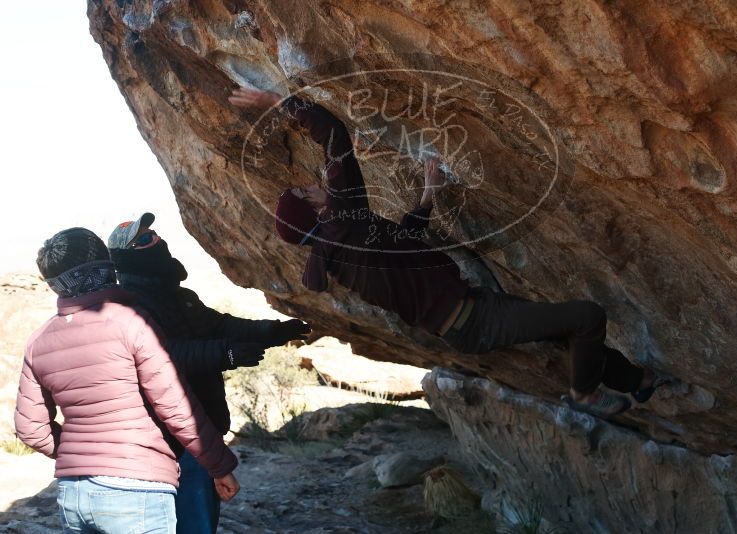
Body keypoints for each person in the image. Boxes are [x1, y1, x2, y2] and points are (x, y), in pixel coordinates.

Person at [229, 87, 661, 418]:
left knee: (565, 331)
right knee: (588, 318)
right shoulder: (343, 224)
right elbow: (335, 136)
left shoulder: (339, 251)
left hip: (465, 321)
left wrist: (427, 197)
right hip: (478, 319)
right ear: (317, 211)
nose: (317, 184)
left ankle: (637, 381)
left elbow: (402, 246)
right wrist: (276, 100)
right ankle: (584, 394)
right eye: (309, 190)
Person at [14, 228, 240, 534]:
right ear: (104, 266)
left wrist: (80, 453)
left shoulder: (39, 340)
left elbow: (30, 429)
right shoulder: (131, 323)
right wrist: (220, 466)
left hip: (73, 495)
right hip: (136, 490)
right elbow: (176, 406)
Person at [106, 213, 309, 534]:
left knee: (198, 521)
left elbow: (219, 325)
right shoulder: (130, 306)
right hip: (166, 435)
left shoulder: (179, 297)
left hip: (200, 428)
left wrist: (275, 332)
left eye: (154, 234)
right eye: (144, 240)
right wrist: (225, 353)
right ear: (127, 257)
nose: (156, 242)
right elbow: (162, 354)